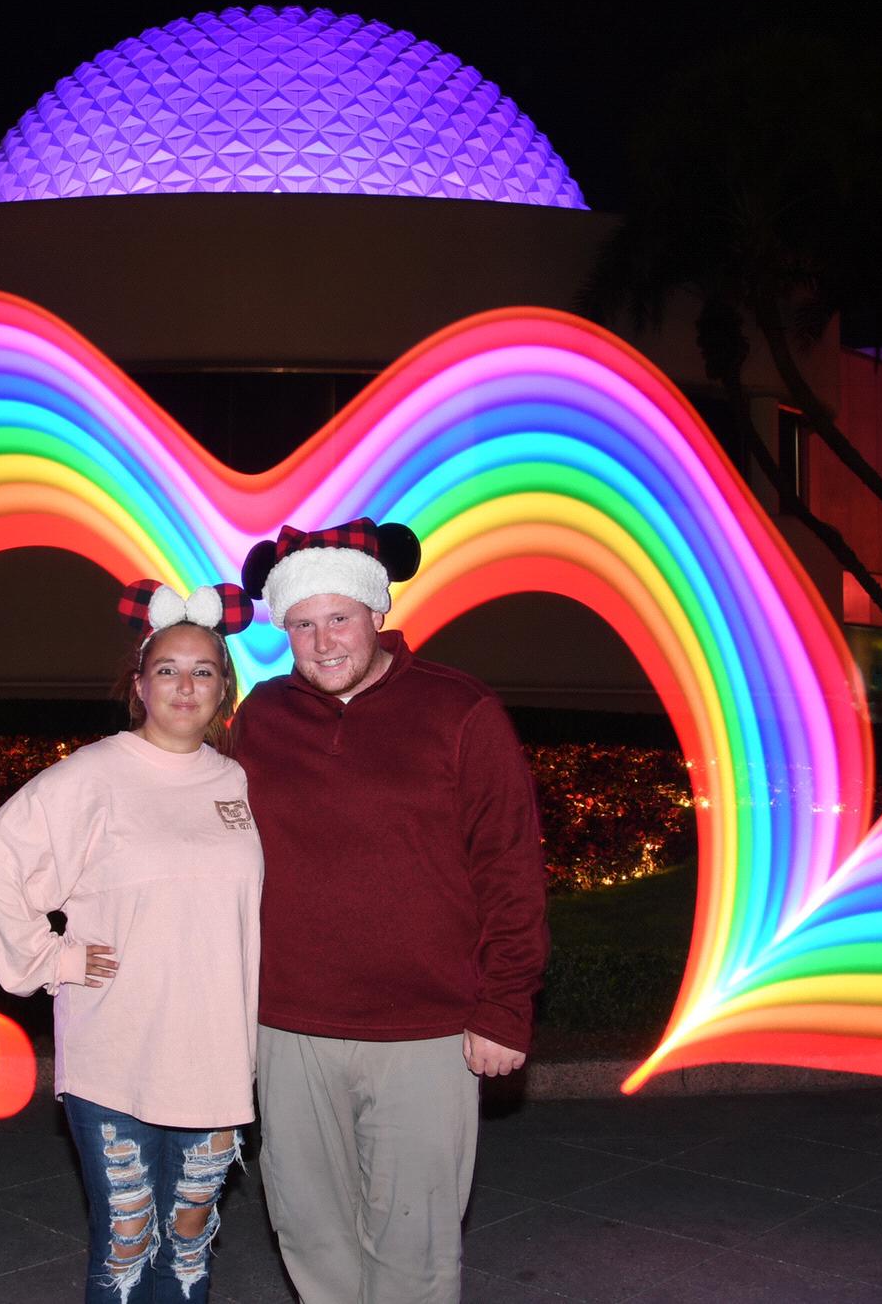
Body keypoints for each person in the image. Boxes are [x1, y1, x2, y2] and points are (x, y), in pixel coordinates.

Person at [228, 517, 549, 1304]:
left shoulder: (461, 712)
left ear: (377, 615)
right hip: (287, 1025)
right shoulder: (261, 720)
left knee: (414, 1237)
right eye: (302, 624)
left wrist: (505, 1004)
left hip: (428, 1030)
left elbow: (510, 866)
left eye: (339, 618)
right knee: (307, 1228)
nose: (323, 640)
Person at [0, 580, 263, 1304]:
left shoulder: (241, 784)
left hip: (216, 1058)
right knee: (127, 1244)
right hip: (115, 1053)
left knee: (189, 1247)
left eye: (203, 671)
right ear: (139, 685)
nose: (185, 685)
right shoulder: (94, 775)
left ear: (225, 689)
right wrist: (49, 959)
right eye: (167, 669)